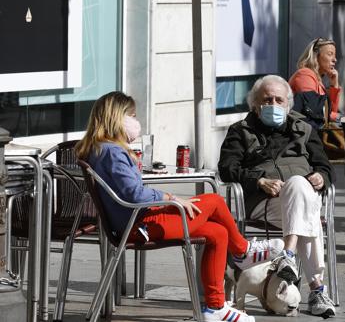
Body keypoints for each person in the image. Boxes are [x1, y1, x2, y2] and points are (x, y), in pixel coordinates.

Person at [75, 92, 284, 322]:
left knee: (217, 232)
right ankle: (243, 251)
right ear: (116, 117)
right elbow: (134, 194)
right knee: (214, 201)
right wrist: (171, 197)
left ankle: (216, 308)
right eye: (132, 115)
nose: (136, 121)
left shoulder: (101, 149)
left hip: (135, 221)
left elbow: (128, 190)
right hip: (141, 224)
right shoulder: (112, 152)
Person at [218, 75, 337, 318]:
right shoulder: (240, 131)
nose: (273, 104)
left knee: (298, 185)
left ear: (288, 104)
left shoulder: (304, 129)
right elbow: (227, 168)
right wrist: (258, 180)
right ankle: (317, 289)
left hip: (300, 196)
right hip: (264, 203)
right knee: (308, 213)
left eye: (278, 99)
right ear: (255, 104)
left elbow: (324, 166)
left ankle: (288, 256)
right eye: (267, 99)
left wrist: (321, 177)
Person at [289, 37, 341, 129]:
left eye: (335, 55)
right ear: (316, 56)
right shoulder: (305, 75)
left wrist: (334, 85)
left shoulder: (317, 79)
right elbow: (313, 111)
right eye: (330, 54)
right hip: (301, 133)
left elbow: (329, 112)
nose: (335, 59)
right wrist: (339, 117)